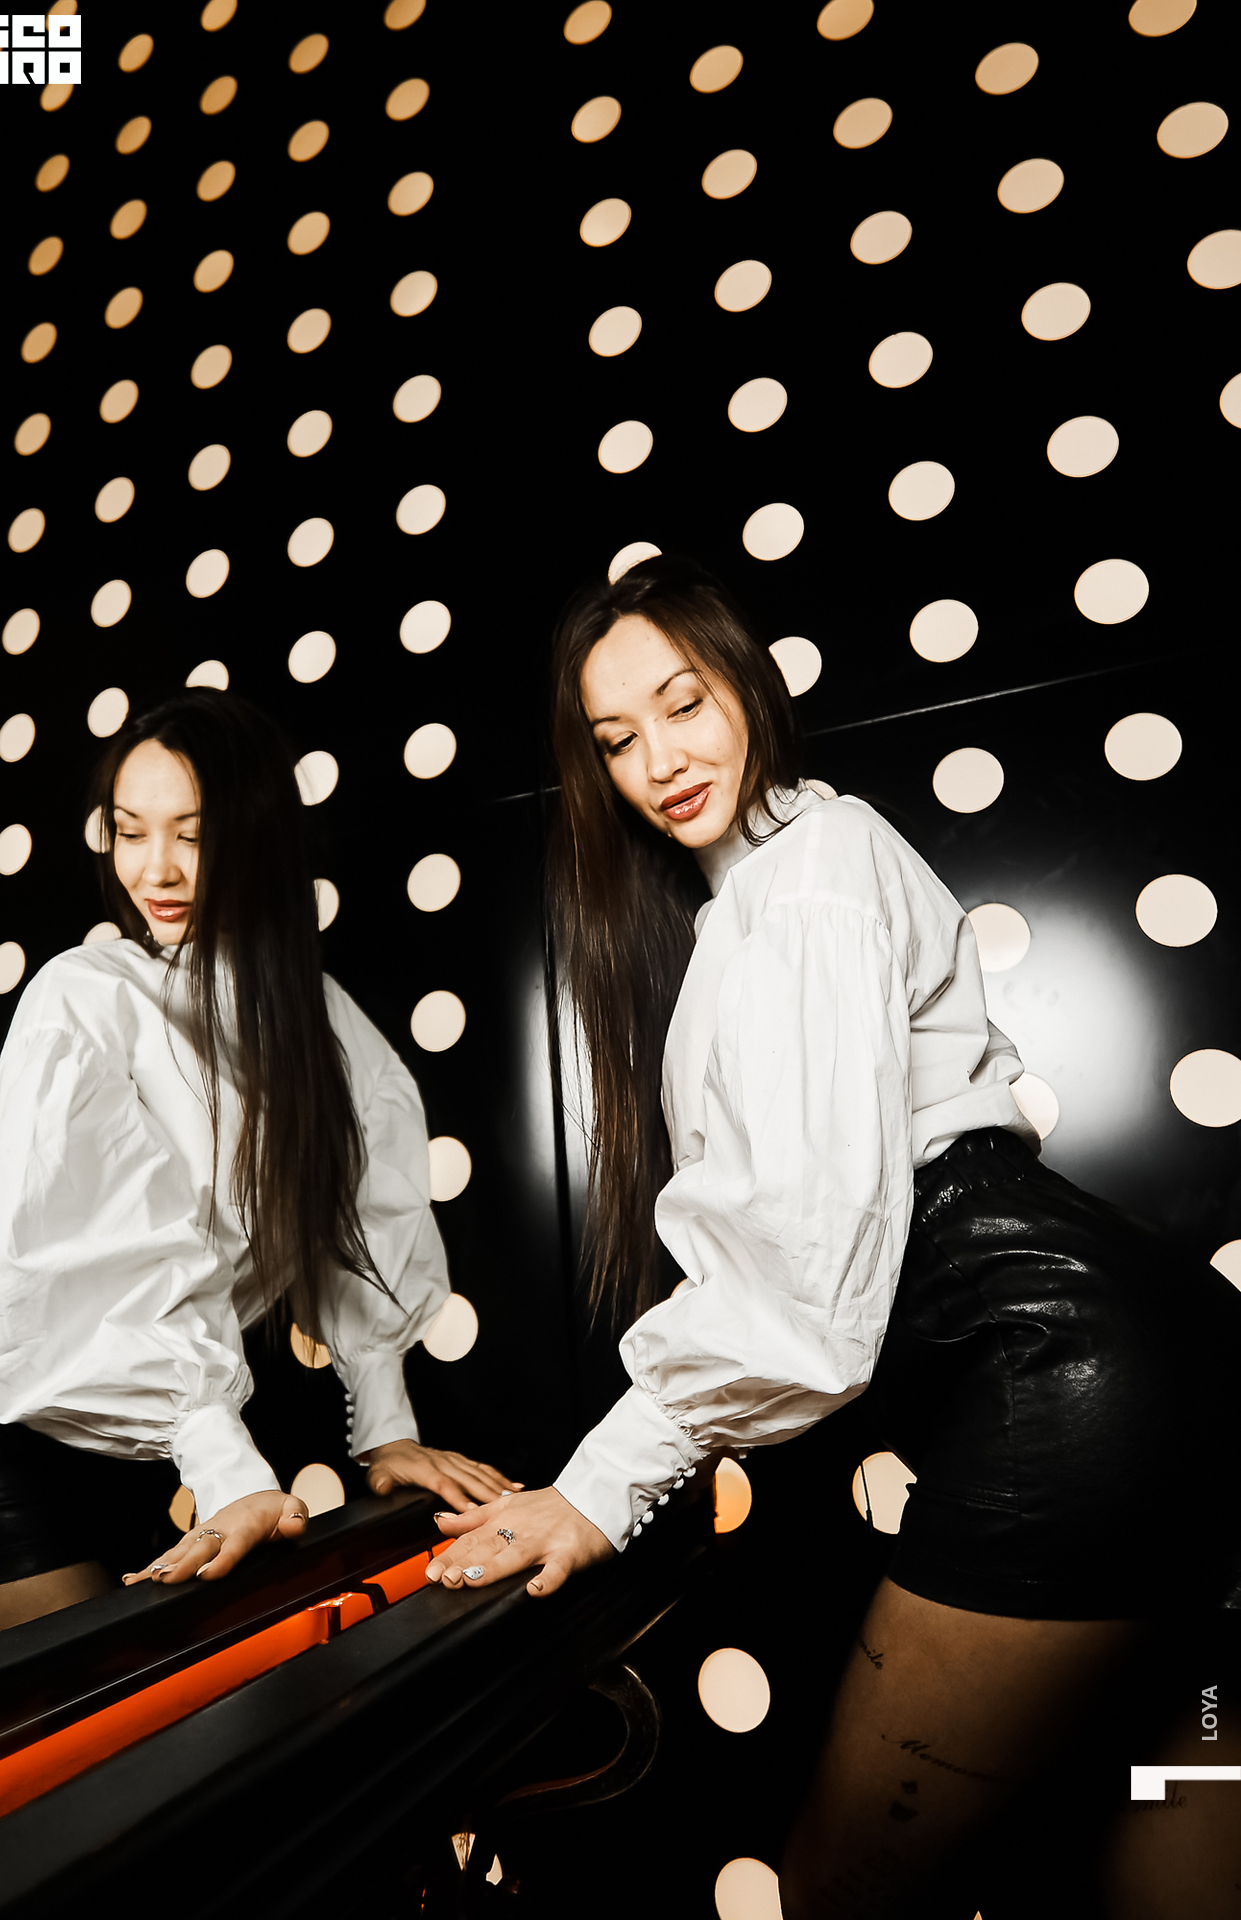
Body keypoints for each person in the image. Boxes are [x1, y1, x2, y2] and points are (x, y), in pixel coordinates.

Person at [423, 556, 1241, 1915]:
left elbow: (803, 1254)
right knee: (1159, 1811)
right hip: (1152, 1361)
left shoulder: (807, 873)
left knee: (844, 1892)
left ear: (747, 684)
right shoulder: (765, 894)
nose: (659, 762)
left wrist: (600, 1483)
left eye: (684, 703)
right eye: (616, 740)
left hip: (1059, 1372)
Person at [0, 689, 518, 1641]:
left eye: (193, 834)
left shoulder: (319, 1016)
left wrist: (386, 1427)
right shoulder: (85, 995)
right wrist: (224, 1464)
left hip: (158, 1445)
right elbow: (87, 1270)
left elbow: (364, 1219)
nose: (156, 868)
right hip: (7, 1417)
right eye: (130, 832)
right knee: (91, 1713)